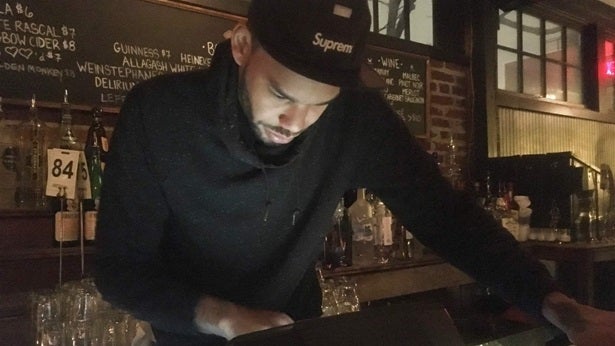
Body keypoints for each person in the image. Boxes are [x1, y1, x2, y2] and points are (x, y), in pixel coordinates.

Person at [94, 0, 615, 344]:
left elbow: (448, 219)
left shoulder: (356, 118)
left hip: (299, 332)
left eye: (319, 104)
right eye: (280, 94)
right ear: (242, 45)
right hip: (188, 331)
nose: (294, 123)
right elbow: (121, 268)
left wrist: (558, 305)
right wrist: (228, 318)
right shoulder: (159, 114)